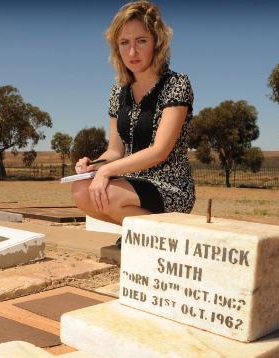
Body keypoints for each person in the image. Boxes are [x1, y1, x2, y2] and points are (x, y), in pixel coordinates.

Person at [71, 0, 195, 241]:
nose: (132, 52)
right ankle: (138, 233)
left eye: (141, 41)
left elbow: (159, 151)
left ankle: (152, 237)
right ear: (116, 48)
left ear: (157, 43)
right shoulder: (118, 91)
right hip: (133, 181)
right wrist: (93, 166)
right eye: (124, 43)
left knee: (110, 194)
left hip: (170, 186)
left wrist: (106, 172)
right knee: (80, 190)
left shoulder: (176, 84)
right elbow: (115, 151)